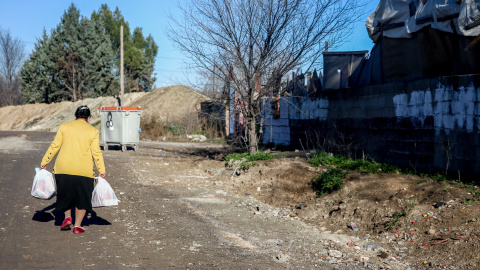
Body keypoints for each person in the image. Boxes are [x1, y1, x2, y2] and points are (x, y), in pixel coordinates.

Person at [40, 105, 106, 234]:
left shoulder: (64, 127)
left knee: (66, 195)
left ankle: (67, 218)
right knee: (82, 198)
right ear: (89, 118)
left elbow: (55, 146)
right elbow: (96, 152)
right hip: (84, 170)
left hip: (63, 168)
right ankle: (77, 226)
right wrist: (101, 170)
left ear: (75, 116)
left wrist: (45, 162)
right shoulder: (93, 131)